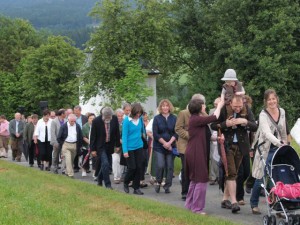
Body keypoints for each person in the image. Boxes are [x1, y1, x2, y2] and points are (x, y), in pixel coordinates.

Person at [211, 95, 257, 214]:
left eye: (240, 106)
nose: (238, 109)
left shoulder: (247, 109)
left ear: (243, 103)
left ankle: (225, 199)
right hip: (227, 145)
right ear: (230, 103)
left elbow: (255, 126)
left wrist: (245, 121)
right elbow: (213, 125)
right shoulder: (224, 110)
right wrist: (226, 124)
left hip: (241, 147)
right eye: (235, 106)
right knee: (231, 173)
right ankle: (234, 201)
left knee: (233, 173)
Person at [250, 89, 288, 214]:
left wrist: (285, 144)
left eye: (273, 99)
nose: (272, 101)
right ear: (266, 101)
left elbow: (283, 131)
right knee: (261, 177)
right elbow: (266, 133)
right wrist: (279, 142)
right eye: (269, 99)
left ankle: (277, 206)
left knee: (277, 177)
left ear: (277, 99)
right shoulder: (263, 115)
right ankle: (254, 203)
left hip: (279, 149)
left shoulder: (282, 112)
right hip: (265, 149)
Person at [185, 97, 223, 214]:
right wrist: (220, 105)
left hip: (196, 151)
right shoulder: (196, 119)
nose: (205, 107)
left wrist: (217, 138)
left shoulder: (198, 120)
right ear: (199, 107)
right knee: (201, 180)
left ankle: (189, 205)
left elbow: (205, 136)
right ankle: (197, 208)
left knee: (195, 180)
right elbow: (215, 117)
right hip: (196, 152)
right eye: (203, 105)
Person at [175, 93, 206, 200]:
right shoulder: (183, 113)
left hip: (198, 147)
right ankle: (185, 191)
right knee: (186, 169)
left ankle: (194, 192)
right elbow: (178, 128)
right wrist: (189, 135)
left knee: (195, 170)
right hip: (185, 146)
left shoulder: (202, 114)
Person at [90, 107, 120, 189]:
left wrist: (117, 145)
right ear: (102, 115)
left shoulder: (114, 119)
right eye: (106, 117)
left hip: (110, 145)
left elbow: (117, 132)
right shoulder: (96, 121)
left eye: (109, 117)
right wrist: (93, 149)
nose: (108, 119)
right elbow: (93, 136)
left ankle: (99, 179)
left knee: (107, 166)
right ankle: (108, 184)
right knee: (105, 164)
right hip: (100, 146)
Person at [153, 99, 178, 194]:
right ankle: (158, 182)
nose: (165, 107)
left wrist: (170, 143)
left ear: (169, 107)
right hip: (159, 146)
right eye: (163, 106)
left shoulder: (174, 118)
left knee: (170, 166)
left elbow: (176, 132)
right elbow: (155, 133)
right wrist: (164, 143)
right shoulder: (157, 118)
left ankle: (167, 186)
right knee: (160, 165)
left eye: (167, 106)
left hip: (171, 146)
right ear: (160, 107)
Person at [122, 103, 145, 195]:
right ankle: (126, 182)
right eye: (137, 113)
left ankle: (136, 188)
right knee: (132, 167)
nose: (138, 115)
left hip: (139, 146)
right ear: (133, 112)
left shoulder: (140, 119)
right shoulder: (127, 121)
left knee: (139, 167)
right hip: (129, 148)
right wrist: (125, 151)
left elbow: (142, 131)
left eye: (140, 113)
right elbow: (124, 136)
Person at [57, 114, 83, 178]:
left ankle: (66, 171)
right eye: (71, 121)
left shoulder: (77, 126)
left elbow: (80, 136)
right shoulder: (63, 126)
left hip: (74, 145)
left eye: (74, 121)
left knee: (71, 160)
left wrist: (79, 146)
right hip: (66, 145)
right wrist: (62, 144)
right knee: (68, 159)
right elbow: (59, 137)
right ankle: (70, 174)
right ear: (68, 120)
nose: (73, 122)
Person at [208, 97, 221, 185]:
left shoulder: (224, 111)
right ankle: (212, 177)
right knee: (213, 157)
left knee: (220, 157)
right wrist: (210, 135)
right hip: (213, 135)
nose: (215, 106)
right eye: (215, 104)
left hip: (221, 135)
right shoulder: (211, 111)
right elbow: (209, 124)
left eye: (217, 104)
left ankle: (220, 176)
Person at [50, 109, 66, 174]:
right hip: (56, 141)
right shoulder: (54, 121)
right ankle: (54, 167)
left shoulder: (66, 120)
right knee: (55, 155)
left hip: (64, 142)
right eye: (65, 113)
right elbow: (52, 133)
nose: (66, 115)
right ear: (62, 114)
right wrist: (55, 142)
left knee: (64, 155)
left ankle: (63, 169)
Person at [73, 105, 88, 173]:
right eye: (74, 111)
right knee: (76, 151)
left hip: (84, 136)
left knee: (86, 152)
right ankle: (76, 167)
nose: (75, 112)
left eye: (77, 111)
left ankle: (85, 167)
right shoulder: (72, 118)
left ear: (80, 111)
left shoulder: (85, 117)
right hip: (76, 137)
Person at [112, 108, 124, 184]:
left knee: (122, 162)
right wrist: (118, 141)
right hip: (115, 146)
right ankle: (116, 176)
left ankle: (120, 175)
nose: (120, 118)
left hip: (123, 147)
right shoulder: (112, 123)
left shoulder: (125, 123)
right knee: (115, 160)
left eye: (121, 116)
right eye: (118, 116)